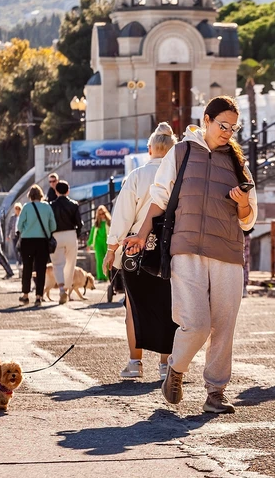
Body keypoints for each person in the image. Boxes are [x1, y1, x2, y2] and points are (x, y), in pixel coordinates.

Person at [123, 96, 258, 415]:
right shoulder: (181, 152)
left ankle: (215, 392)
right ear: (207, 120)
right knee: (195, 323)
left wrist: (241, 202)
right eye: (222, 125)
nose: (227, 132)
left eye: (233, 128)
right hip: (185, 251)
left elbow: (249, 219)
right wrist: (141, 235)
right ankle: (177, 369)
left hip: (227, 252)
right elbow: (159, 197)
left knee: (224, 326)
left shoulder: (238, 163)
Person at [104, 123, 176, 381]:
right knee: (170, 307)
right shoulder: (178, 174)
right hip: (171, 250)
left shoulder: (136, 175)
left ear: (149, 149)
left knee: (133, 308)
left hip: (136, 249)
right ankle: (167, 363)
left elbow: (122, 215)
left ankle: (135, 362)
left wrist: (112, 249)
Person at [17, 184, 57, 306]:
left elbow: (19, 226)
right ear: (40, 195)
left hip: (27, 241)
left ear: (30, 195)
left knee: (27, 268)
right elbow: (53, 226)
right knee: (40, 269)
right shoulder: (47, 207)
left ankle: (25, 295)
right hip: (42, 242)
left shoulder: (26, 207)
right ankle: (39, 296)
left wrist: (27, 230)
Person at [51, 180, 82, 305]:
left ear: (56, 191)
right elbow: (79, 223)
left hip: (56, 234)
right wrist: (77, 234)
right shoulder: (74, 205)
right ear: (68, 190)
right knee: (70, 263)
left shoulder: (51, 205)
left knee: (57, 264)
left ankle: (61, 288)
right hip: (70, 234)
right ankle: (67, 288)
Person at [87, 205, 111, 282]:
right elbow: (92, 234)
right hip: (98, 243)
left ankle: (108, 276)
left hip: (107, 243)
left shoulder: (109, 222)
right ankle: (101, 277)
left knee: (108, 259)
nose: (102, 215)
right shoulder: (97, 224)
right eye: (100, 214)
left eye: (103, 213)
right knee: (100, 259)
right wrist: (89, 244)